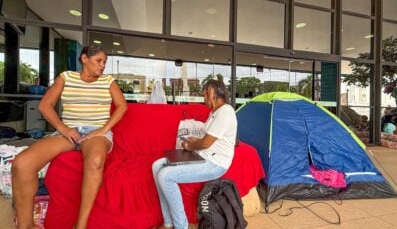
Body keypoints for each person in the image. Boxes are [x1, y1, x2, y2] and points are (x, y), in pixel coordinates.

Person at [12, 45, 127, 229]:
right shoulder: (66, 77)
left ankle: (81, 226)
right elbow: (45, 105)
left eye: (105, 62)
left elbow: (122, 106)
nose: (103, 65)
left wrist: (102, 130)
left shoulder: (108, 81)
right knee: (21, 163)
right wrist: (63, 129)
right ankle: (25, 225)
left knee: (96, 161)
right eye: (99, 60)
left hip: (96, 131)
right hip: (68, 132)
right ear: (84, 59)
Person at [152, 78, 237, 229]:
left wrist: (189, 145)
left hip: (215, 163)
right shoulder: (214, 112)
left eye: (205, 95)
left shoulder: (226, 112)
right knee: (156, 166)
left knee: (165, 176)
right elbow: (208, 139)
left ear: (212, 92)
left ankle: (181, 226)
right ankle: (168, 223)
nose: (204, 100)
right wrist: (195, 140)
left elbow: (206, 143)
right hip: (204, 155)